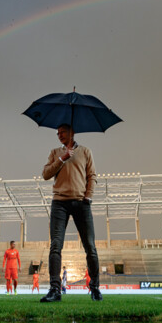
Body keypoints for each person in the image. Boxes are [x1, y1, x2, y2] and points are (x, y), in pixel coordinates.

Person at [40, 124, 101, 302]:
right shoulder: (54, 152)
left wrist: (88, 197)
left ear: (72, 132)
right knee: (55, 246)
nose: (59, 135)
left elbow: (92, 176)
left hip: (81, 203)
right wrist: (62, 158)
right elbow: (45, 174)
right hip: (59, 203)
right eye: (57, 133)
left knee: (90, 246)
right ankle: (55, 290)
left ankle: (95, 288)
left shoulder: (85, 151)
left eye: (63, 132)